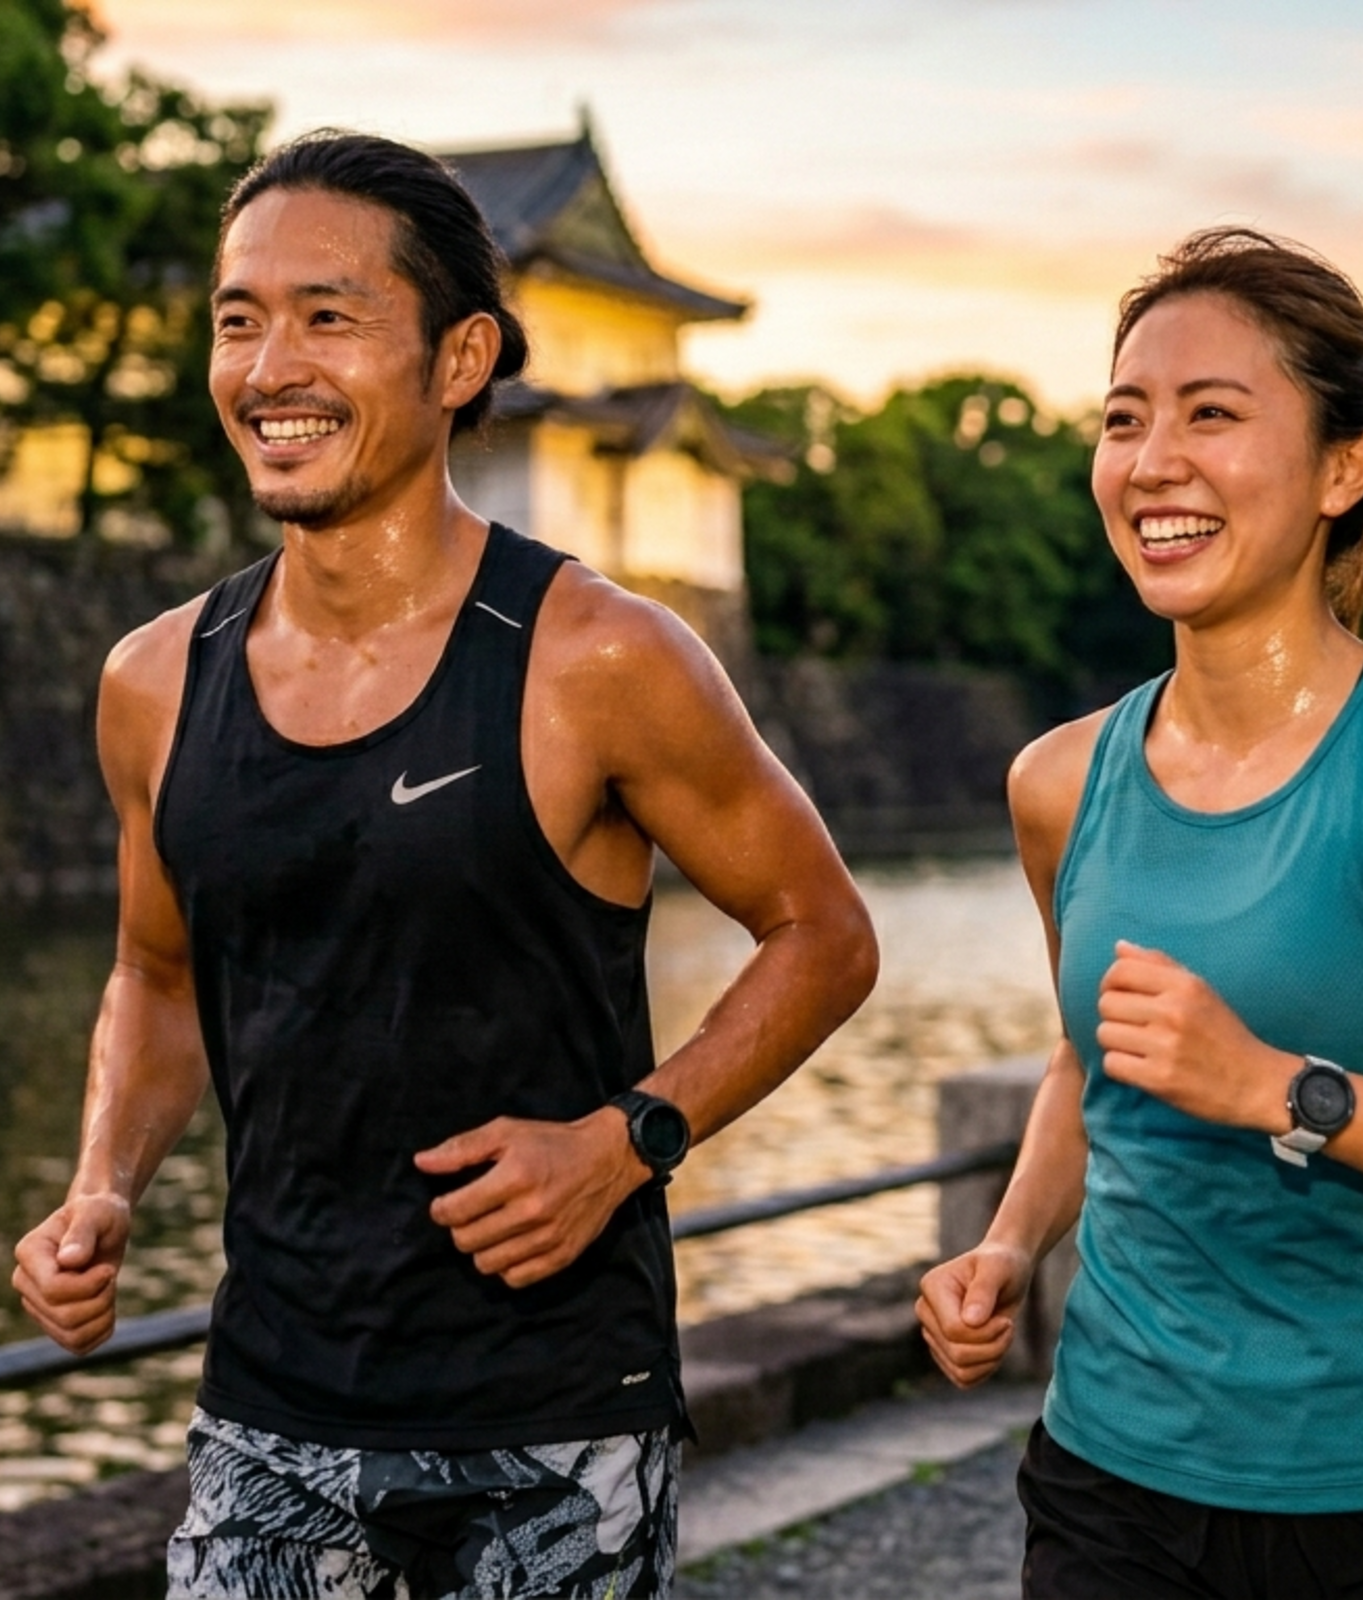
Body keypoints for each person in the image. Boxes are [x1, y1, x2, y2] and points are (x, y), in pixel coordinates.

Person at [10, 130, 878, 1600]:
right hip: (270, 1411)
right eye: (239, 319)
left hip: (553, 1424)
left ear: (460, 357)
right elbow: (155, 975)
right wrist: (103, 1185)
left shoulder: (599, 657)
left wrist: (628, 1141)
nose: (270, 368)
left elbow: (823, 934)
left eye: (328, 317)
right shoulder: (156, 680)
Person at [916, 227, 1363, 1599]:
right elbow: (1089, 1057)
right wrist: (1009, 1242)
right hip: (1110, 1489)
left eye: (1212, 414)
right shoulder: (1057, 782)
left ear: (1344, 469)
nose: (1151, 460)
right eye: (1125, 418)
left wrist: (1282, 1091)